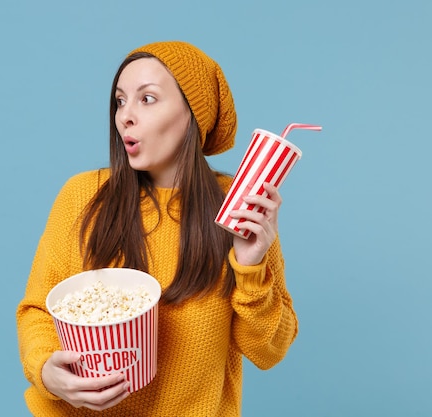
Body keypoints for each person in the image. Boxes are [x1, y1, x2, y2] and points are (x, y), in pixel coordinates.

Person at [16, 40, 298, 416]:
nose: (125, 117)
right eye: (120, 101)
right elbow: (37, 310)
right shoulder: (82, 196)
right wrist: (47, 371)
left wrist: (250, 267)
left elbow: (269, 350)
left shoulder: (239, 206)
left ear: (194, 113)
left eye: (146, 99)